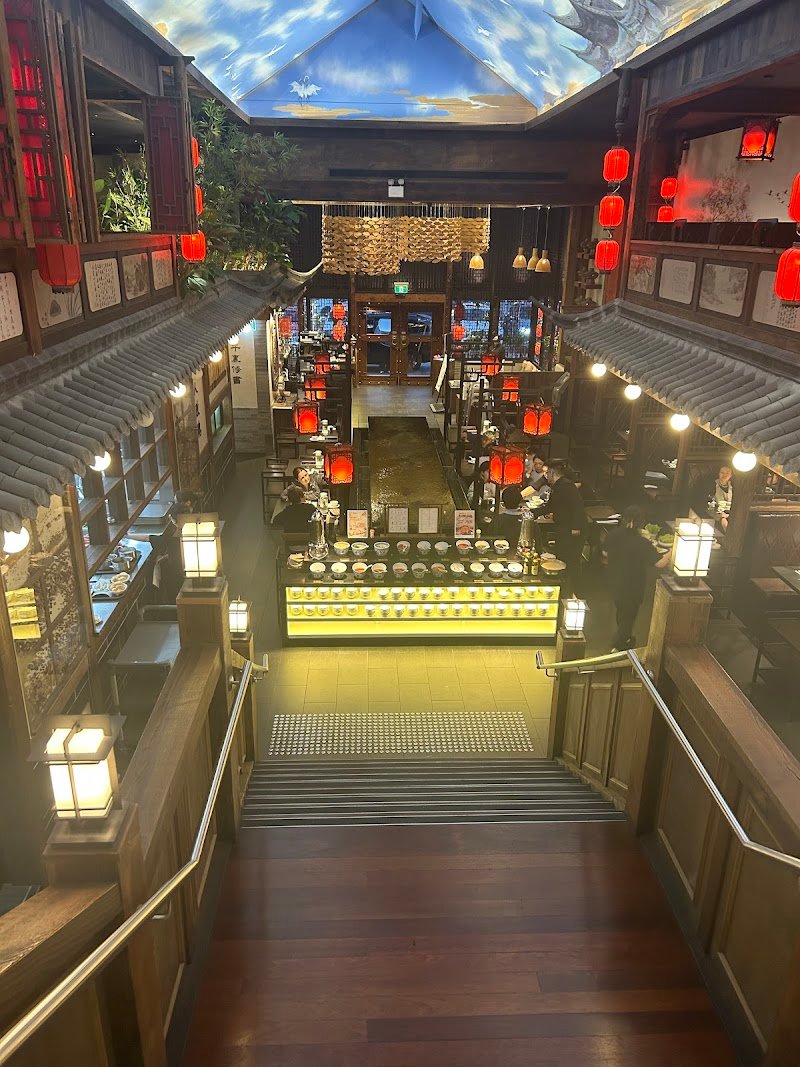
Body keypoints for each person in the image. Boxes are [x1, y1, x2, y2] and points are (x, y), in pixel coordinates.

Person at [604, 506, 671, 650]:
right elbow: (660, 563)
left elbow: (605, 553)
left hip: (615, 581)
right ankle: (618, 645)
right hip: (633, 586)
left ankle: (625, 639)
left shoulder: (614, 535)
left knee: (621, 612)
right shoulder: (642, 543)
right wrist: (673, 550)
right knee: (628, 618)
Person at [533, 460, 587, 593]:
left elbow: (578, 507)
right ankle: (563, 588)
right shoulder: (558, 486)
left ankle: (574, 591)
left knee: (571, 561)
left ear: (552, 473)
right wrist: (532, 513)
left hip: (572, 530)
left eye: (547, 473)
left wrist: (576, 528)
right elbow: (550, 506)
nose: (546, 476)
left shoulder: (567, 486)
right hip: (563, 528)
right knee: (562, 558)